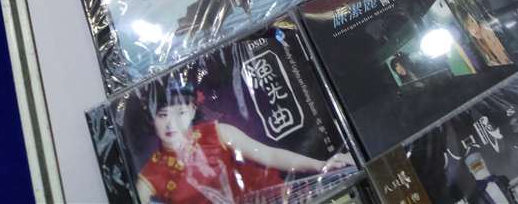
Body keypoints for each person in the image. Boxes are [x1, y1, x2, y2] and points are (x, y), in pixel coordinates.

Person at [134, 79, 355, 204]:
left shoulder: (217, 132)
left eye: (180, 113)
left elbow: (270, 155)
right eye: (162, 115)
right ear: (152, 119)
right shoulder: (148, 178)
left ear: (192, 111)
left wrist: (321, 166)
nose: (171, 124)